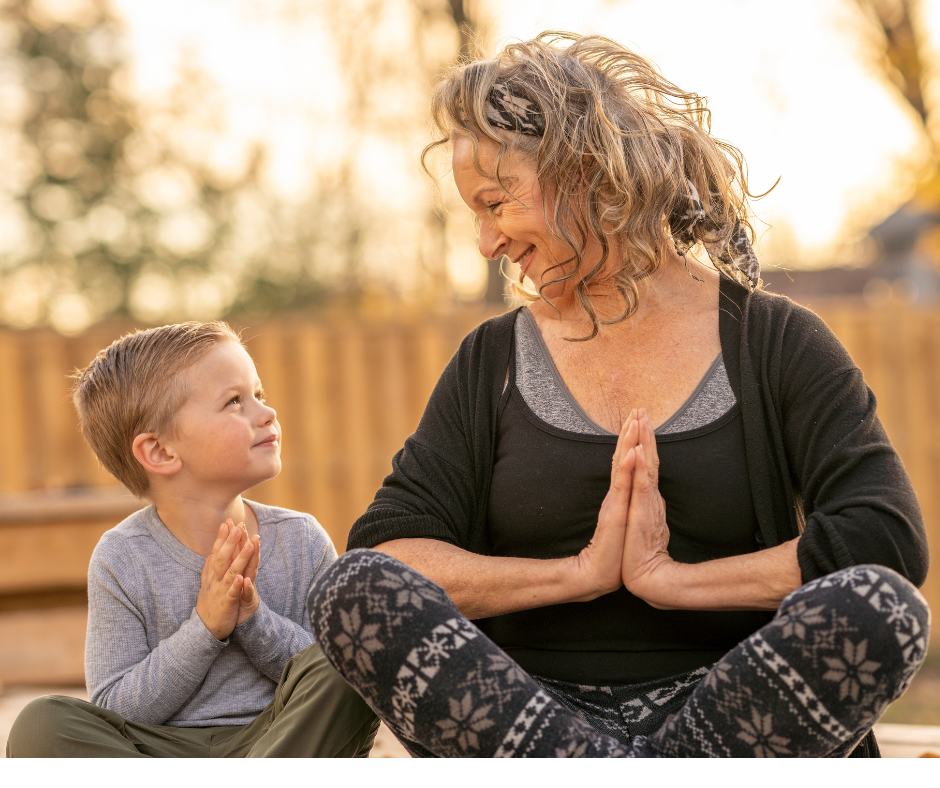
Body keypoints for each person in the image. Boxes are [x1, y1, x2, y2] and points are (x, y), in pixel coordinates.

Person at [308, 32, 930, 757]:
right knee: (351, 592)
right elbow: (389, 552)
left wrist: (674, 582)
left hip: (731, 716)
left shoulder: (776, 341)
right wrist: (577, 575)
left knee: (883, 609)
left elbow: (883, 542)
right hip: (530, 724)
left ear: (584, 171)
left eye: (495, 203)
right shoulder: (493, 361)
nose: (485, 242)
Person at [6, 322, 378, 757]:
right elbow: (116, 709)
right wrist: (205, 628)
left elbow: (329, 674)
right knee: (41, 725)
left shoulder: (301, 540)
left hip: (280, 744)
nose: (266, 412)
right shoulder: (121, 557)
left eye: (259, 394)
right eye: (234, 402)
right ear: (161, 452)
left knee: (355, 651)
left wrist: (253, 620)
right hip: (166, 755)